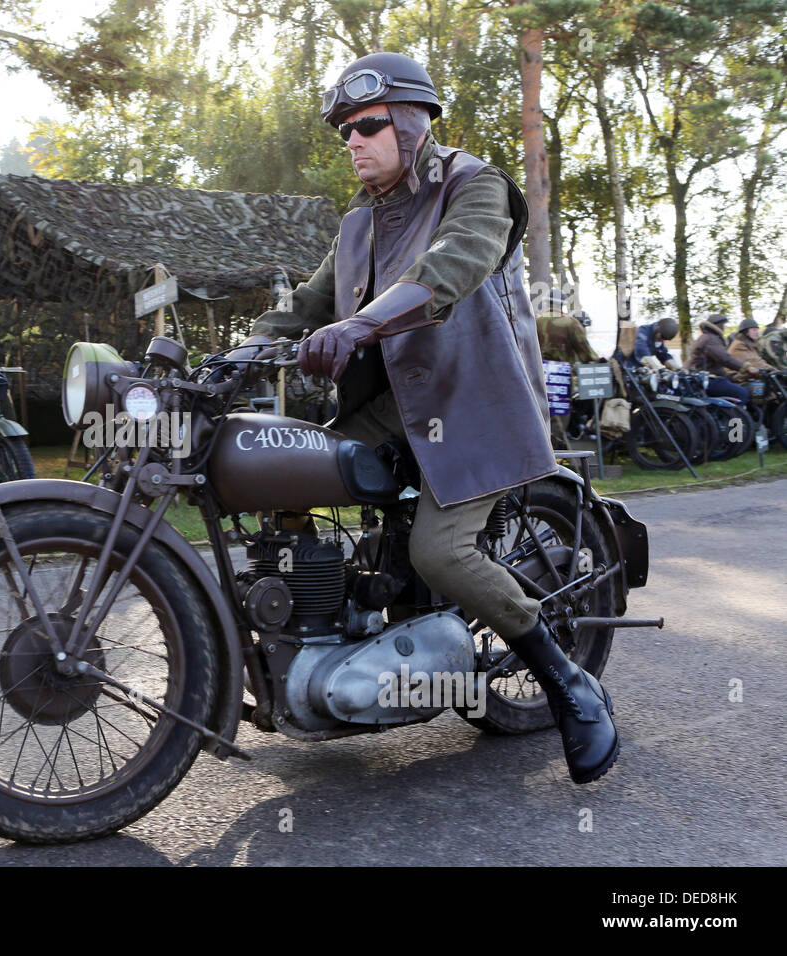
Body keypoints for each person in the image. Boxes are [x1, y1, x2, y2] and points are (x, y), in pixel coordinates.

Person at [239, 52, 618, 784]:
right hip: (392, 410)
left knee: (440, 555)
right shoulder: (359, 223)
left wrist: (362, 328)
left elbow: (449, 267)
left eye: (369, 124)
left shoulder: (476, 188)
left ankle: (569, 682)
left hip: (475, 404)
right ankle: (326, 623)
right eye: (344, 130)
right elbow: (307, 305)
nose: (353, 140)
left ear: (414, 122)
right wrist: (236, 355)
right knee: (280, 469)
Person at [536, 298, 602, 448]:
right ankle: (555, 453)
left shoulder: (535, 321)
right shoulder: (570, 323)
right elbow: (584, 351)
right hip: (560, 376)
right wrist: (597, 362)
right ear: (562, 304)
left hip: (536, 375)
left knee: (539, 413)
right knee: (559, 414)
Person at [685, 313, 749, 403]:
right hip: (709, 379)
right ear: (718, 325)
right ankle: (738, 416)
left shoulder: (706, 337)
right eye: (724, 325)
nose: (725, 327)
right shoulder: (711, 339)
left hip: (704, 378)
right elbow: (725, 358)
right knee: (742, 392)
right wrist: (746, 367)